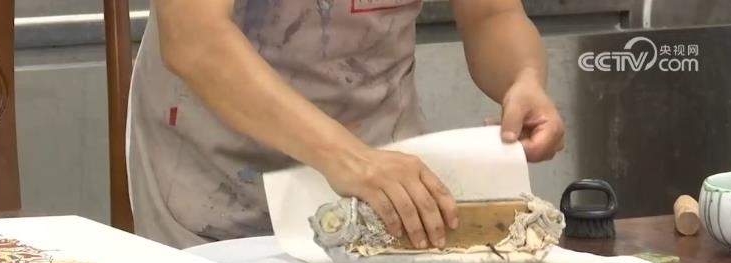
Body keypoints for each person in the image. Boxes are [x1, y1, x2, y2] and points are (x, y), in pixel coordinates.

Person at [126, 0, 565, 249]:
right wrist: (346, 157)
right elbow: (194, 40)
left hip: (384, 176)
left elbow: (491, 14)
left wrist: (522, 78)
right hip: (217, 176)